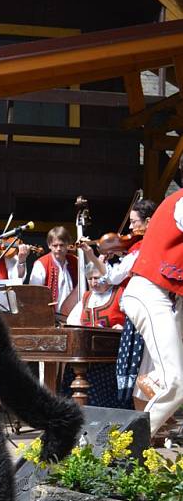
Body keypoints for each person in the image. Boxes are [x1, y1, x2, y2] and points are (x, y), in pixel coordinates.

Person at [78, 199, 157, 410]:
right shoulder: (148, 246)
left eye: (134, 222)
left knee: (144, 371)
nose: (130, 228)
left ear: (148, 222)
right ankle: (156, 421)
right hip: (151, 310)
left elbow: (113, 276)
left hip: (143, 312)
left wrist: (92, 256)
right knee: (149, 370)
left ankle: (150, 421)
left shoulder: (141, 248)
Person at [120, 187, 183, 438]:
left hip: (167, 297)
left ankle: (154, 379)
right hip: (150, 292)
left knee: (173, 379)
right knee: (176, 384)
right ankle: (125, 448)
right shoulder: (181, 202)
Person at [63, 262, 126, 407]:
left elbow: (134, 318)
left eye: (97, 278)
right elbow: (72, 320)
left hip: (112, 357)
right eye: (90, 278)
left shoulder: (120, 293)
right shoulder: (86, 297)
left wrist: (123, 327)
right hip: (88, 355)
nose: (93, 282)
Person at [29, 226, 78, 317]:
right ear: (49, 245)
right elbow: (34, 295)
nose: (58, 249)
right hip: (50, 316)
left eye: (62, 245)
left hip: (73, 316)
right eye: (55, 245)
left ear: (68, 244)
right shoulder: (41, 264)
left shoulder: (75, 261)